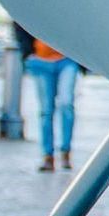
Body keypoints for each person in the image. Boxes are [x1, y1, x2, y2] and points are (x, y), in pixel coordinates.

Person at [26, 37, 79, 172]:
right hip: (40, 59)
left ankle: (66, 151)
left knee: (66, 103)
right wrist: (26, 51)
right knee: (46, 110)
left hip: (67, 59)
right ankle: (47, 155)